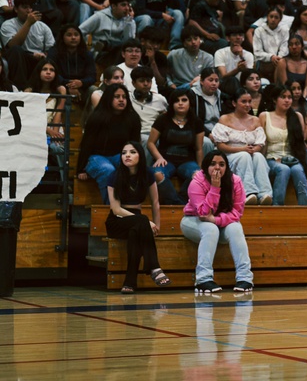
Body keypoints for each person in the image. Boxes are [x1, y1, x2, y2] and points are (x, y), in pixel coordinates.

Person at [180, 151, 253, 294]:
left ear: (227, 167)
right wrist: (215, 187)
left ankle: (245, 278)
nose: (217, 168)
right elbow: (203, 213)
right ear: (206, 166)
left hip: (219, 222)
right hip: (192, 221)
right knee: (210, 229)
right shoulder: (197, 182)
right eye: (213, 164)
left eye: (222, 164)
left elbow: (237, 212)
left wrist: (216, 220)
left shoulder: (235, 181)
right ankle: (203, 279)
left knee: (236, 228)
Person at [105, 141, 170, 293]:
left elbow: (155, 202)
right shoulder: (114, 176)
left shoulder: (147, 174)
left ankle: (129, 283)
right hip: (117, 221)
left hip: (138, 221)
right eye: (124, 153)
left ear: (140, 155)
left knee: (135, 234)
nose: (127, 155)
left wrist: (157, 225)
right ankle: (154, 267)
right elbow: (116, 209)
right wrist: (147, 222)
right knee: (141, 221)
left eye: (132, 152)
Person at [78, 86, 142, 203]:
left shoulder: (133, 118)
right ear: (108, 98)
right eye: (117, 97)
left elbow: (135, 144)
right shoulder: (96, 117)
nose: (121, 100)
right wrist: (80, 169)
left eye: (124, 97)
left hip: (120, 155)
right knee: (108, 170)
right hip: (96, 156)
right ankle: (111, 208)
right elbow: (86, 144)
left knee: (132, 168)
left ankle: (131, 206)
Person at [210, 88, 274, 205]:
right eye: (244, 101)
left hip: (249, 153)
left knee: (259, 156)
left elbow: (260, 143)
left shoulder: (255, 120)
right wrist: (241, 149)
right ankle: (248, 193)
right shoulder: (225, 119)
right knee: (244, 156)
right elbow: (220, 145)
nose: (248, 105)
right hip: (229, 155)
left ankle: (265, 194)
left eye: (249, 101)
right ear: (234, 103)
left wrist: (254, 149)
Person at [147, 88, 205, 199]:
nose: (180, 103)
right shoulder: (162, 119)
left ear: (190, 102)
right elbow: (150, 143)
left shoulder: (197, 122)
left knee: (198, 176)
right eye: (176, 101)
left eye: (184, 100)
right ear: (172, 104)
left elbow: (199, 149)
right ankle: (177, 203)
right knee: (156, 174)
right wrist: (159, 158)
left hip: (187, 161)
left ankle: (180, 201)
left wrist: (200, 168)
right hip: (165, 160)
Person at [260, 84, 307, 206]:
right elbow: (262, 143)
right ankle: (277, 206)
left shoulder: (297, 116)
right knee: (283, 169)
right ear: (274, 99)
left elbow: (300, 145)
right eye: (283, 97)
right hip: (271, 158)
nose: (287, 100)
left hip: (291, 159)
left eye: (289, 97)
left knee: (298, 170)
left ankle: (306, 208)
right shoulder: (265, 116)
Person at [46, 23, 96, 103]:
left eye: (76, 35)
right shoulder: (54, 52)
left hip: (81, 86)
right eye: (69, 35)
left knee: (94, 90)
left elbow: (92, 76)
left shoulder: (87, 54)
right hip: (60, 85)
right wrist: (70, 85)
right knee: (60, 89)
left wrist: (81, 83)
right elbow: (52, 73)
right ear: (62, 37)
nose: (73, 37)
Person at [167, 25, 215, 89]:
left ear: (200, 40)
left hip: (199, 88)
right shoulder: (174, 55)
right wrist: (170, 83)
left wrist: (200, 78)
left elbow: (211, 77)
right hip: (178, 87)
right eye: (189, 40)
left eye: (195, 38)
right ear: (184, 43)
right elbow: (165, 73)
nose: (193, 42)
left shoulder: (208, 58)